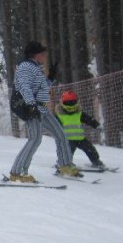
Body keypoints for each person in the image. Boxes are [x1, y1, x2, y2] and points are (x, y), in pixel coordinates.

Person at [9, 42, 80, 182]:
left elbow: (42, 87)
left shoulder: (34, 67)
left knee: (60, 134)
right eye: (42, 54)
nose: (44, 56)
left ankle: (65, 165)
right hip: (32, 109)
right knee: (35, 139)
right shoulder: (25, 67)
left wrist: (51, 76)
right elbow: (24, 87)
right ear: (35, 55)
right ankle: (17, 173)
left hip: (41, 108)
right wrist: (31, 105)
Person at [56, 90, 105, 169]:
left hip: (80, 138)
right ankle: (62, 164)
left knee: (90, 149)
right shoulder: (59, 115)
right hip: (67, 139)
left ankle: (96, 161)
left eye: (72, 102)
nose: (70, 104)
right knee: (67, 152)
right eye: (68, 103)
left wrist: (96, 125)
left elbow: (89, 120)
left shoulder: (79, 113)